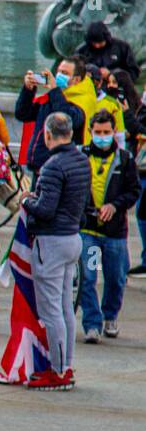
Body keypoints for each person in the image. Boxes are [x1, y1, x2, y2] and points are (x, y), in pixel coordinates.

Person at [21, 113, 91, 390]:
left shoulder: (52, 166)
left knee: (51, 311)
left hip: (51, 241)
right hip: (72, 237)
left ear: (47, 135)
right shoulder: (81, 160)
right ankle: (66, 365)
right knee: (65, 308)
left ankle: (58, 371)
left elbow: (46, 209)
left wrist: (27, 201)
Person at [79, 109, 140, 342]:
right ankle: (92, 323)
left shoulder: (125, 159)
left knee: (115, 277)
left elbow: (133, 191)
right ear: (90, 132)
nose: (102, 136)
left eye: (107, 132)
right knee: (88, 276)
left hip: (114, 233)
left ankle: (110, 315)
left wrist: (115, 205)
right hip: (89, 231)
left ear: (114, 132)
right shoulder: (82, 155)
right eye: (98, 132)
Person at [17, 60, 88, 180]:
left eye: (64, 73)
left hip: (59, 171)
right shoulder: (52, 98)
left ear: (76, 79)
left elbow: (67, 119)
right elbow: (23, 114)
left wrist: (55, 90)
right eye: (58, 71)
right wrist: (28, 90)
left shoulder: (81, 99)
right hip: (39, 168)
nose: (59, 75)